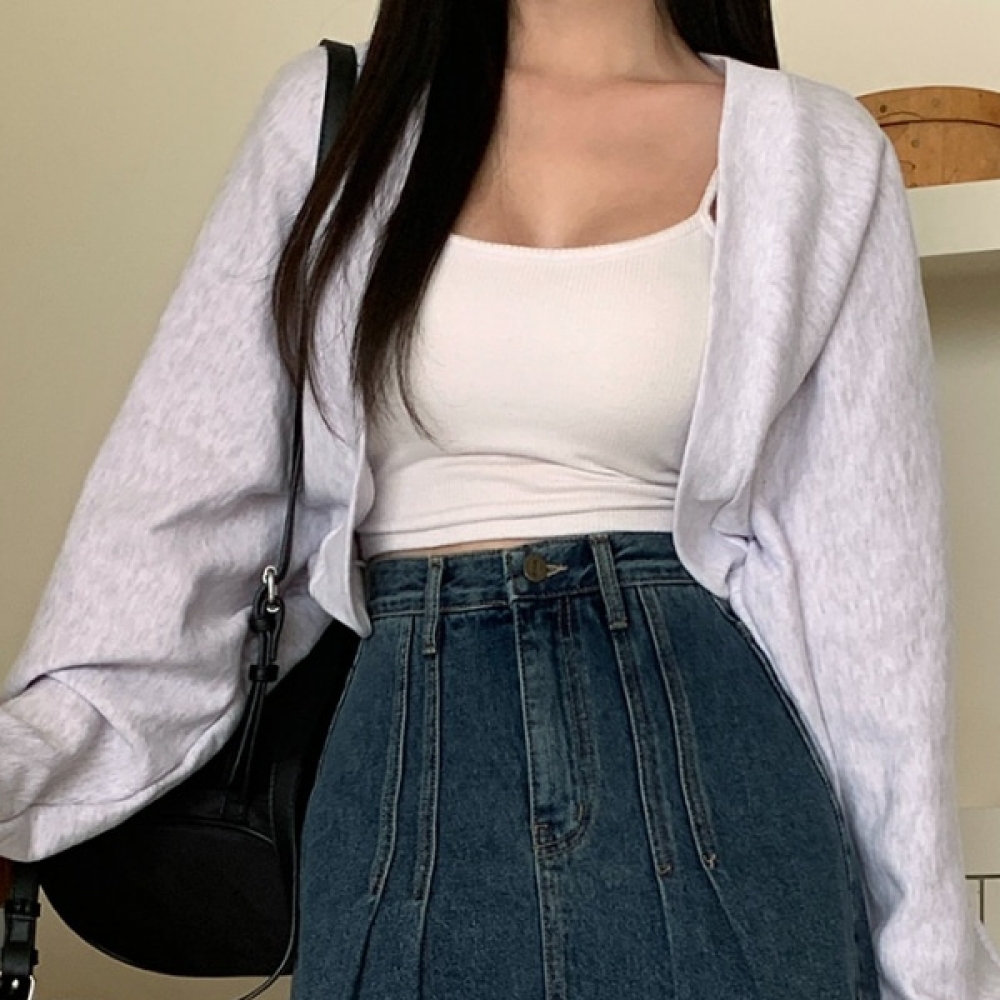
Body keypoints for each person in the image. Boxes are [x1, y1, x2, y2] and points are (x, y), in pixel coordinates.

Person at [4, 0, 1000, 997]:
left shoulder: (818, 151)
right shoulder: (337, 119)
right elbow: (173, 530)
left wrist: (932, 968)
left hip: (719, 786)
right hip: (403, 795)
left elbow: (874, 614)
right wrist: (24, 778)